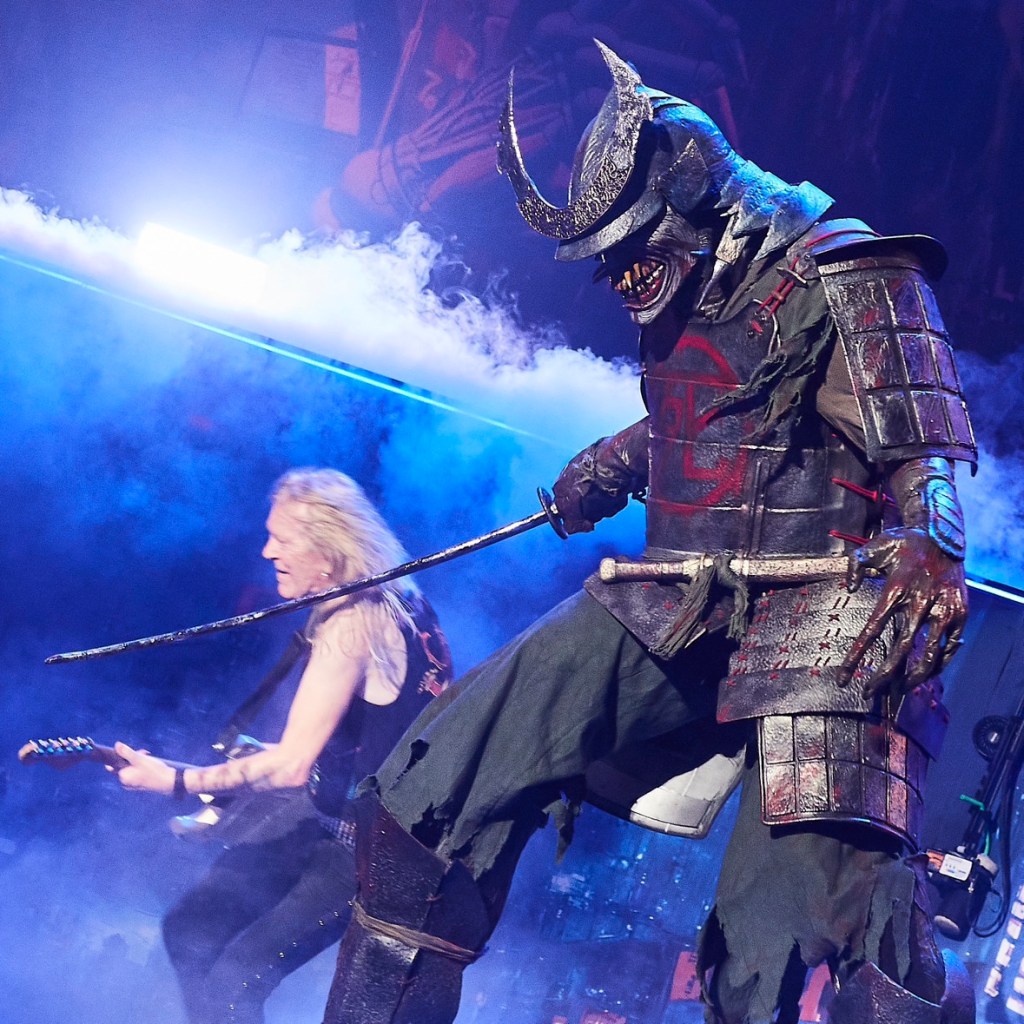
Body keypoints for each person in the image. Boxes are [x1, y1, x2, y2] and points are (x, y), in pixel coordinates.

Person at [321, 43, 980, 1024]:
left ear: (697, 194)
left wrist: (932, 540)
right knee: (428, 798)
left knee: (779, 957)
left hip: (832, 623)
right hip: (678, 594)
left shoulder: (847, 268)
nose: (618, 271)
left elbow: (923, 446)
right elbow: (721, 410)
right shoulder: (690, 282)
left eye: (630, 242)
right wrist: (614, 463)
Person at [113, 468, 452, 1024]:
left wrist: (174, 782)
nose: (267, 551)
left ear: (328, 548)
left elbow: (293, 767)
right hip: (333, 823)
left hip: (372, 854)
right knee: (190, 928)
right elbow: (370, 737)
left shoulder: (355, 622)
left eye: (282, 539)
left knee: (233, 981)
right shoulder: (397, 595)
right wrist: (260, 756)